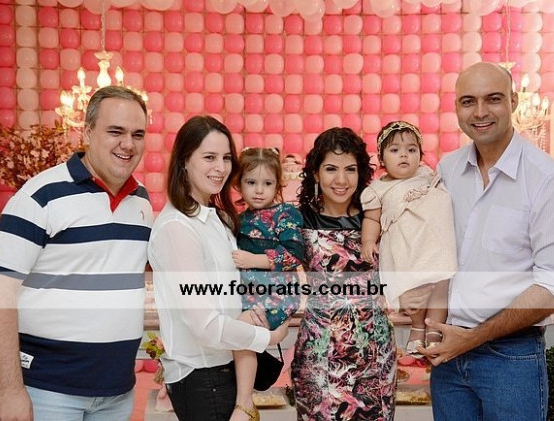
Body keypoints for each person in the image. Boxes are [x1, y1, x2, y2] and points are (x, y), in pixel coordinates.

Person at [418, 62, 554, 421]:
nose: (480, 112)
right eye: (468, 101)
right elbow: (436, 254)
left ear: (513, 101)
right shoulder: (447, 170)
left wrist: (473, 337)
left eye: (493, 99)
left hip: (511, 358)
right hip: (448, 353)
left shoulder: (547, 179)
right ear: (457, 107)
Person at [0, 85, 153, 421]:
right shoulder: (40, 196)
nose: (128, 144)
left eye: (137, 134)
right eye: (116, 131)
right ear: (88, 132)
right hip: (48, 392)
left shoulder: (140, 200)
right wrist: (9, 389)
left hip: (118, 392)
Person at [147, 116, 289, 421]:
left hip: (225, 368)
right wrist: (268, 338)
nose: (221, 167)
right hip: (203, 377)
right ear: (184, 161)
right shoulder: (177, 228)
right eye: (209, 157)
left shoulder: (218, 219)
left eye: (226, 158)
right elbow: (204, 325)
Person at [291, 127, 396, 421]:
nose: (341, 180)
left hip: (374, 351)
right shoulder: (298, 219)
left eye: (350, 169)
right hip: (319, 351)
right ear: (315, 173)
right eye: (331, 169)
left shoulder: (377, 216)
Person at [360, 120, 457, 358]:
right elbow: (372, 219)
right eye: (395, 150)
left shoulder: (427, 176)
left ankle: (434, 329)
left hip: (434, 243)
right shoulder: (377, 189)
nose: (404, 155)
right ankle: (418, 326)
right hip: (405, 246)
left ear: (420, 156)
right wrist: (368, 241)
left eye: (411, 150)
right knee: (415, 288)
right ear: (381, 158)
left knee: (440, 285)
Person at [230, 147, 304, 421]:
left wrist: (254, 259)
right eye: (251, 182)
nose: (259, 190)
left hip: (277, 294)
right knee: (238, 336)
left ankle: (244, 402)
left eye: (267, 183)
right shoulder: (240, 218)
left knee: (241, 330)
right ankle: (244, 398)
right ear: (238, 184)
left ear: (278, 184)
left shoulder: (285, 215)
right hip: (250, 294)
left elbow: (294, 254)